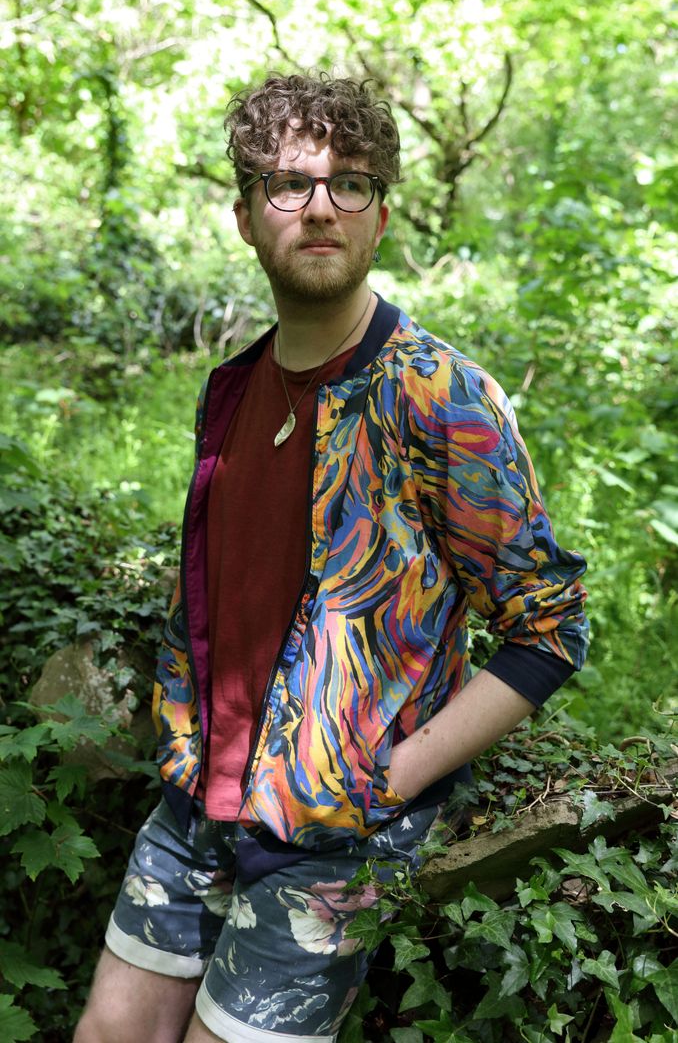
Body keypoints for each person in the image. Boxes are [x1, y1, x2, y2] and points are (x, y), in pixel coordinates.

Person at [74, 72, 589, 1043]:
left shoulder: (439, 397)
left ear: (381, 215)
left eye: (348, 183)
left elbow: (551, 627)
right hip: (196, 801)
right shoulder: (230, 390)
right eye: (287, 184)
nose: (319, 207)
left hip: (332, 841)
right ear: (243, 216)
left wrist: (394, 777)